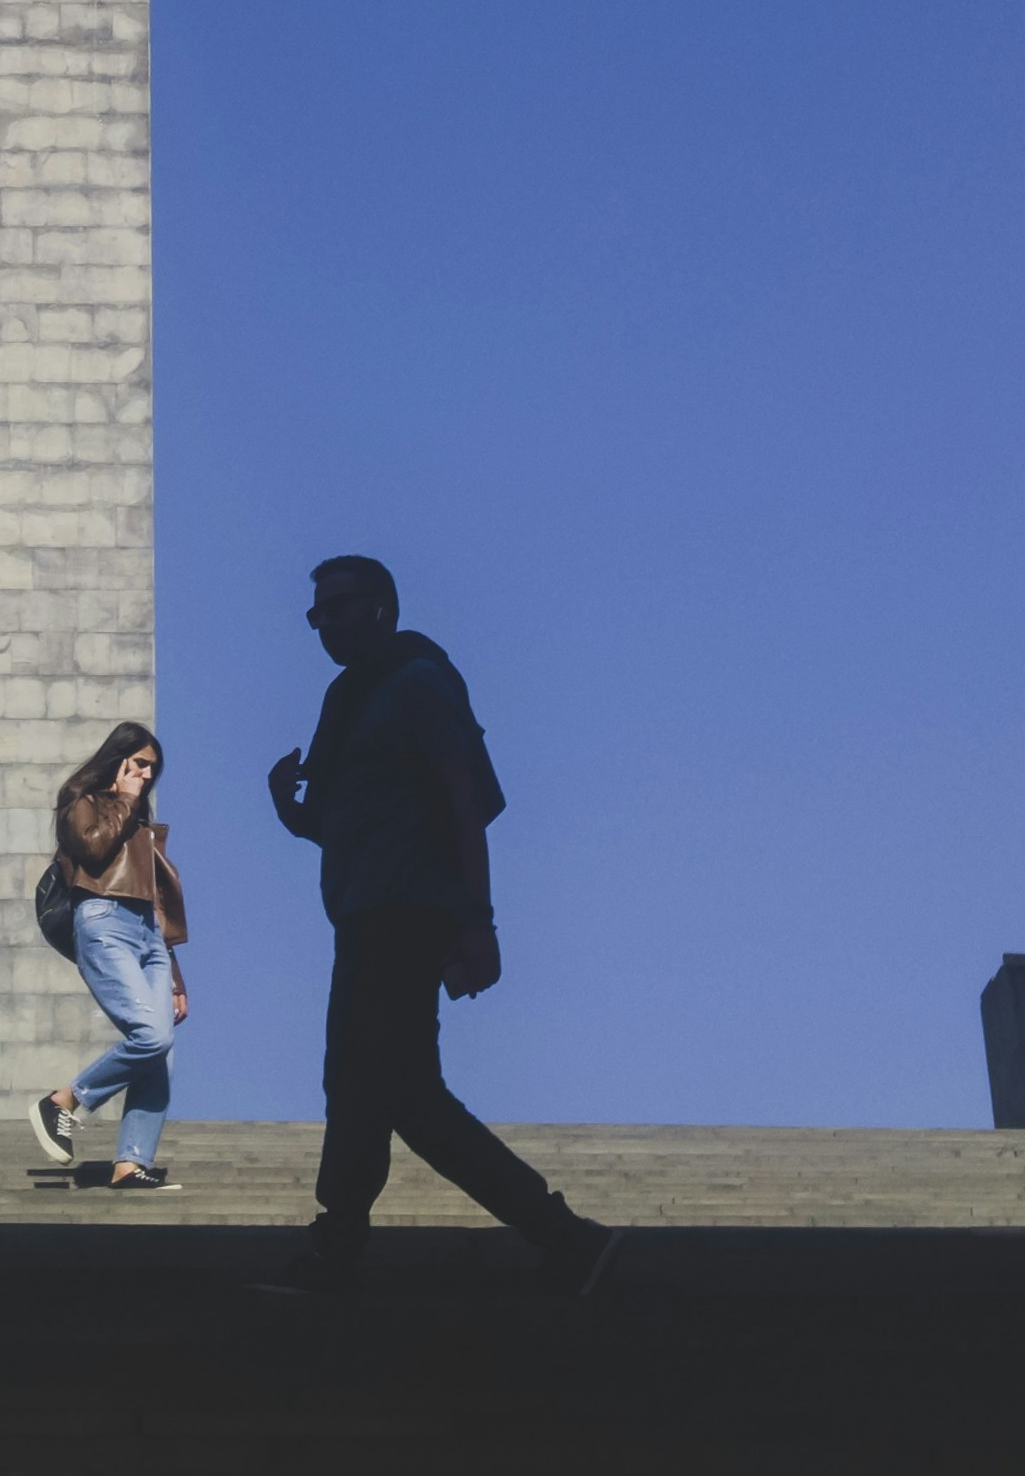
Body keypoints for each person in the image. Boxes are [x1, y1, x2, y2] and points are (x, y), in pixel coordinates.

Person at [263, 555, 614, 1294]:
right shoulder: (346, 700)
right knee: (400, 1095)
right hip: (362, 913)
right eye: (316, 613)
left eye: (338, 607)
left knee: (365, 1084)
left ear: (382, 608)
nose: (324, 624)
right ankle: (563, 1237)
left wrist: (478, 921)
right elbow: (344, 827)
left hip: (407, 913)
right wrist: (293, 814)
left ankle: (339, 1246)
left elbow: (465, 800)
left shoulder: (419, 683)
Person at [35, 722, 192, 1189]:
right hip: (104, 921)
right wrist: (122, 798)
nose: (146, 776)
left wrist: (176, 975)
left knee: (158, 1050)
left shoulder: (139, 822)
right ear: (119, 759)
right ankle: (64, 1101)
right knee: (150, 1036)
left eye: (152, 770)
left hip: (148, 936)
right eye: (140, 764)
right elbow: (94, 849)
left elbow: (157, 901)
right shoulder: (81, 799)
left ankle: (130, 1163)